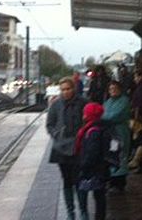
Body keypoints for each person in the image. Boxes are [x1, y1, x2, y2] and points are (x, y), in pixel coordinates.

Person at [46, 77, 88, 220]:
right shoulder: (56, 105)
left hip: (78, 147)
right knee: (67, 180)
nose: (66, 92)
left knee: (79, 180)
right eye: (63, 89)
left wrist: (84, 135)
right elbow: (50, 124)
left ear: (73, 89)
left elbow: (89, 121)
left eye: (68, 89)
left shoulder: (83, 102)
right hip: (61, 148)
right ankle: (70, 212)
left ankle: (83, 210)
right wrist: (56, 135)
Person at [76, 102, 109, 220]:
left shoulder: (92, 131)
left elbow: (92, 153)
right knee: (100, 195)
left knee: (98, 196)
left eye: (85, 113)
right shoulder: (99, 127)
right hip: (100, 169)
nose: (83, 115)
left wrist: (83, 167)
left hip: (94, 170)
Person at [102, 80, 131, 191]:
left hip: (119, 133)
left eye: (115, 88)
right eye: (111, 89)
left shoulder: (124, 101)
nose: (113, 91)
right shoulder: (108, 102)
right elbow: (103, 114)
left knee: (121, 154)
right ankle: (112, 179)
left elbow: (115, 115)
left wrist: (105, 117)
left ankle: (120, 181)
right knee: (112, 154)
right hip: (110, 134)